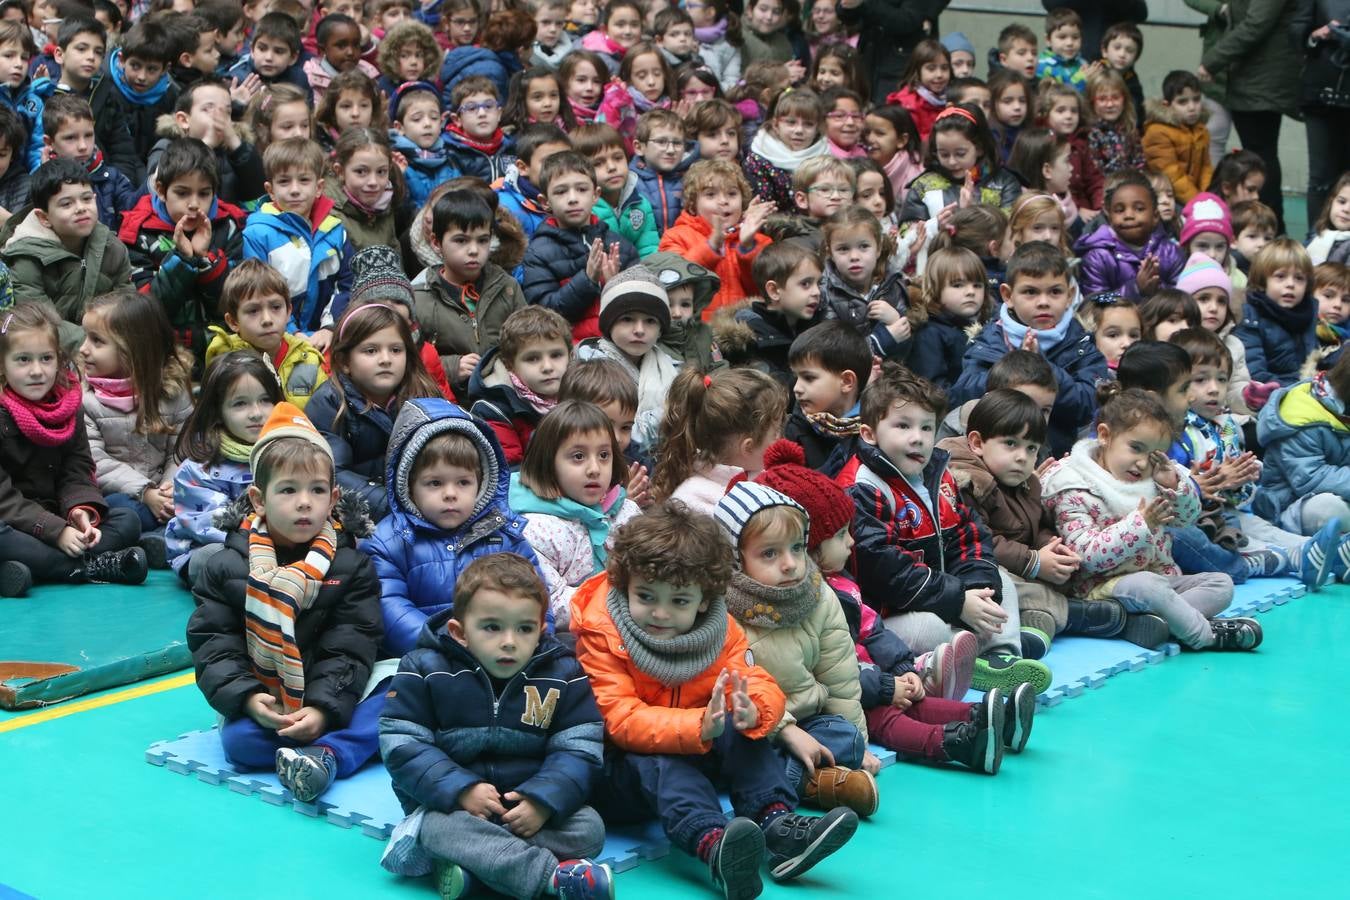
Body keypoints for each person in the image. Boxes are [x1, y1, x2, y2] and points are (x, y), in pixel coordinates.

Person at [572, 500, 859, 899]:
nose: (660, 612)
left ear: (704, 600)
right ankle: (714, 844)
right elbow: (618, 718)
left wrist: (753, 709)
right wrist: (694, 727)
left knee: (744, 730)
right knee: (658, 760)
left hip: (695, 748)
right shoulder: (602, 632)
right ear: (624, 584)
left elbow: (753, 678)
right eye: (646, 595)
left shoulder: (719, 628)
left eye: (679, 601)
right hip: (619, 771)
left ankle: (777, 827)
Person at [757, 437, 1030, 776]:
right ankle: (954, 744)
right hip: (837, 699)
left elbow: (873, 631)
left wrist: (903, 669)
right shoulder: (808, 603)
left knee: (917, 700)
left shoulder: (839, 582)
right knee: (886, 716)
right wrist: (885, 686)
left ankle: (989, 720)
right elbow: (833, 672)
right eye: (842, 535)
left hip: (868, 680)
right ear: (811, 547)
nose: (852, 542)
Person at [378, 553, 612, 899]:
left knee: (590, 829)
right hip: (452, 807)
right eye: (492, 627)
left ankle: (474, 867)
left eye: (524, 628)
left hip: (525, 804)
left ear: (541, 631)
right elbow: (402, 743)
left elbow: (579, 746)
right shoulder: (424, 667)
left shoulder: (563, 673)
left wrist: (543, 800)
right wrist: (460, 789)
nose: (509, 641)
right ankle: (554, 880)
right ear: (460, 632)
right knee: (432, 829)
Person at [186, 401, 384, 804]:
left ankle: (326, 753)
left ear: (333, 498)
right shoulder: (226, 566)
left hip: (336, 693)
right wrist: (247, 698)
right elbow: (214, 643)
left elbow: (352, 644)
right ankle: (328, 749)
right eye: (288, 490)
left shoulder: (351, 564)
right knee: (241, 744)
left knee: (394, 701)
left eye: (316, 491)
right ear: (259, 499)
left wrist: (325, 709)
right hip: (269, 695)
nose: (305, 503)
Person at [840, 362, 1052, 694]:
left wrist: (977, 588)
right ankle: (959, 656)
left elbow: (970, 535)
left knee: (1001, 584)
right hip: (886, 613)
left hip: (943, 595)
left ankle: (1002, 659)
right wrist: (957, 601)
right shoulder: (863, 487)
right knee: (930, 630)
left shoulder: (937, 472)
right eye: (903, 426)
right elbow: (884, 570)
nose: (918, 438)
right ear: (869, 434)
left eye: (927, 427)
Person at [1040, 384, 1263, 650]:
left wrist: (1173, 485)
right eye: (1135, 448)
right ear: (1104, 435)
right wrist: (1140, 526)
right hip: (1101, 589)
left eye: (1154, 455)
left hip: (1160, 580)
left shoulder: (1156, 474)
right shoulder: (1073, 483)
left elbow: (1187, 519)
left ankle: (1155, 624)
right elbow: (1085, 555)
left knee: (1221, 583)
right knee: (1148, 586)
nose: (1143, 463)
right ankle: (1204, 636)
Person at [939, 390, 1162, 654]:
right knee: (1004, 584)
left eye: (1031, 447)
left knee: (1037, 602)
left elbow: (1039, 523)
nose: (1022, 456)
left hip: (1023, 567)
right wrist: (1033, 561)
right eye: (1011, 444)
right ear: (977, 443)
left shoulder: (1028, 482)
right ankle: (1080, 616)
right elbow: (980, 542)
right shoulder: (966, 483)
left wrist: (1052, 548)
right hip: (979, 572)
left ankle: (1039, 629)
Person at [713, 480, 880, 817]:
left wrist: (859, 746)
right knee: (735, 751)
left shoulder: (817, 596)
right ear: (735, 556)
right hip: (756, 727)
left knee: (847, 738)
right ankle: (809, 782)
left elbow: (840, 676)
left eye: (796, 548)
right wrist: (783, 730)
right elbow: (729, 687)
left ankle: (813, 774)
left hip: (809, 720)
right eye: (769, 553)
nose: (789, 564)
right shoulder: (721, 608)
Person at [363, 396, 542, 657]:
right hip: (422, 658)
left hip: (504, 653)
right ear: (408, 485)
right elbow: (390, 609)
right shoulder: (388, 542)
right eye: (435, 483)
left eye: (463, 482)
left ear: (481, 483)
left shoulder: (504, 536)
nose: (450, 494)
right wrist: (450, 643)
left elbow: (537, 597)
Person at [0, 301, 147, 598]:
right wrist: (55, 532)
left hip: (55, 515)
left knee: (127, 520)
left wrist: (80, 512)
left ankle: (38, 567)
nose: (37, 371)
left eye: (46, 358)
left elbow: (77, 469)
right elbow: (4, 499)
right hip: (16, 521)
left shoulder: (68, 406)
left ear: (59, 359)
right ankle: (91, 566)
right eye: (23, 360)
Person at [953, 241, 1107, 458]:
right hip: (998, 461)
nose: (1043, 302)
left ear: (1070, 295)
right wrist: (1011, 373)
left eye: (1055, 291)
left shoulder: (1082, 345)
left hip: (1059, 459)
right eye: (1030, 292)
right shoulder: (989, 340)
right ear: (1008, 295)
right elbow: (962, 394)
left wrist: (1045, 368)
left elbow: (1087, 405)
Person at [78, 289, 194, 564]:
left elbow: (182, 450)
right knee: (125, 513)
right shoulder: (85, 400)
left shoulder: (173, 393)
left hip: (162, 494)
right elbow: (96, 461)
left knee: (195, 501)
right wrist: (145, 491)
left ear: (133, 350)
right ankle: (151, 539)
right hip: (114, 495)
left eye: (96, 341)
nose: (83, 348)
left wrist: (169, 488)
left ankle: (152, 538)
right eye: (86, 337)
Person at [509, 400, 641, 630]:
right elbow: (554, 604)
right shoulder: (535, 530)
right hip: (573, 641)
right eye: (578, 457)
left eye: (603, 455)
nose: (594, 468)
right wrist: (629, 602)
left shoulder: (627, 512)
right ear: (548, 463)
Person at [119, 138, 247, 374]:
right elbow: (144, 311)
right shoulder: (137, 233)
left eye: (204, 193)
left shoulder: (228, 226)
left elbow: (235, 302)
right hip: (163, 354)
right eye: (182, 192)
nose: (194, 204)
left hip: (221, 350)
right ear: (161, 190)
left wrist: (206, 259)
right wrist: (183, 259)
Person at [306, 303, 443, 521]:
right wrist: (393, 507)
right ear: (345, 362)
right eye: (371, 350)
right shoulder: (328, 404)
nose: (386, 359)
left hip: (425, 505)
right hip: (357, 516)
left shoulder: (426, 396)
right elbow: (332, 473)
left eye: (396, 350)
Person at [0, 158, 132, 353]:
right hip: (49, 354)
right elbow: (40, 322)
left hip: (107, 348)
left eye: (86, 198)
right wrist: (94, 345)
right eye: (66, 204)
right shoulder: (25, 257)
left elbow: (127, 306)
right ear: (44, 218)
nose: (80, 208)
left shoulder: (113, 248)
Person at [1197, 0, 1300, 234]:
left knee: (1261, 154)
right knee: (1262, 152)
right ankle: (1267, 225)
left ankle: (1269, 226)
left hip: (1260, 76)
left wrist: (1214, 59)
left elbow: (1257, 23)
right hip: (1256, 74)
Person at [242, 139, 355, 349]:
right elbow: (259, 292)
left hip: (328, 338)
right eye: (284, 182)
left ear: (319, 187)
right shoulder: (257, 234)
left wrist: (329, 328)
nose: (294, 190)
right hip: (277, 340)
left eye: (304, 180)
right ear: (271, 190)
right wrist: (292, 333)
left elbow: (347, 284)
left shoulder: (335, 231)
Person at [413, 190, 526, 399]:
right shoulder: (420, 297)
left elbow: (526, 341)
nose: (474, 250)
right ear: (436, 243)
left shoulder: (507, 288)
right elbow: (411, 358)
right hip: (448, 399)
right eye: (461, 241)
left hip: (505, 396)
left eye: (482, 240)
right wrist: (451, 366)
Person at [521, 149, 639, 342]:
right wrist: (587, 280)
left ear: (595, 195)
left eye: (582, 189)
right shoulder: (538, 253)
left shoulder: (619, 245)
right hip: (573, 352)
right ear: (545, 201)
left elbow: (642, 303)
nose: (573, 198)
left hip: (621, 344)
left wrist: (614, 286)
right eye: (560, 191)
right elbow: (544, 314)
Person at [1255, 348, 1350, 564]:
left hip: (1344, 492)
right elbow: (1310, 479)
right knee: (1329, 510)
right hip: (1292, 506)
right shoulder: (1301, 412)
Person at [653, 365, 786, 513]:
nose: (781, 439)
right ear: (748, 447)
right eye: (775, 433)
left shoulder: (766, 474)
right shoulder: (692, 502)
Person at [205, 260, 327, 410]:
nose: (267, 320)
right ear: (233, 321)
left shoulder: (308, 359)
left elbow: (324, 422)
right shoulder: (224, 359)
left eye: (276, 307)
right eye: (253, 311)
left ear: (288, 311)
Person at [576, 266, 677, 445]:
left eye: (650, 321)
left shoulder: (672, 369)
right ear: (609, 324)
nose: (639, 330)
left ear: (661, 329)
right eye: (627, 319)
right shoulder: (589, 370)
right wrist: (670, 414)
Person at [466, 306, 574, 467]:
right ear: (510, 365)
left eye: (556, 355)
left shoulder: (585, 392)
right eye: (533, 359)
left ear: (570, 356)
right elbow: (508, 473)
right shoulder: (493, 410)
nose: (547, 367)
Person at [782, 322, 870, 476]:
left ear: (847, 381)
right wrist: (816, 480)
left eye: (808, 378)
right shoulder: (793, 431)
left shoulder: (877, 428)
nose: (797, 388)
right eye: (796, 377)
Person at [836, 0, 932, 101]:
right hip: (868, 57)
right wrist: (848, 7)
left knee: (889, 109)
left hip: (898, 64)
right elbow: (847, 17)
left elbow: (907, 20)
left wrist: (866, 3)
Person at [1142, 71, 1213, 205]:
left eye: (1196, 99)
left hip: (1195, 198)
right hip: (1165, 200)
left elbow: (1206, 168)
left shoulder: (1201, 130)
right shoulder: (1157, 132)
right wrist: (1199, 203)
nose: (1192, 107)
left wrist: (1208, 197)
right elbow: (1171, 176)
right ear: (1166, 104)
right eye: (1182, 102)